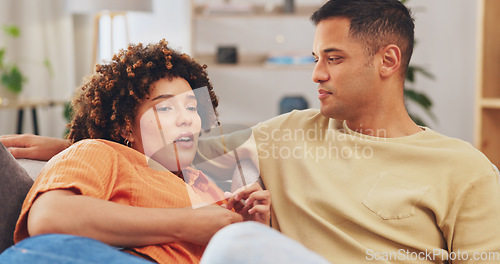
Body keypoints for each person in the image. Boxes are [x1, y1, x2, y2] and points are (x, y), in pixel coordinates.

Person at [2, 0, 500, 263]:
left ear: (388, 60)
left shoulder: (464, 170)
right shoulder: (286, 134)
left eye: (333, 59)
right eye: (314, 59)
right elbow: (173, 150)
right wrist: (75, 146)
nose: (316, 75)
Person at [0, 39, 271, 264]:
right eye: (165, 108)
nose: (187, 118)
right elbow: (49, 217)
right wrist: (187, 222)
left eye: (191, 107)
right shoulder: (102, 152)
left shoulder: (206, 185)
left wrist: (250, 229)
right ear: (126, 127)